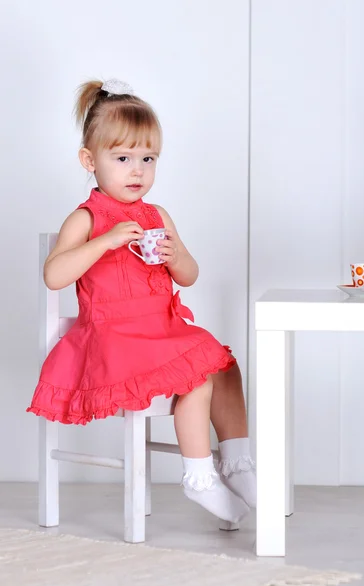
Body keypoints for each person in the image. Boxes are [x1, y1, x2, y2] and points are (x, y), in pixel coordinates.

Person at [27, 78, 256, 524]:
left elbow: (189, 275)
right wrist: (105, 241)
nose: (138, 171)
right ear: (90, 161)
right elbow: (54, 275)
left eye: (148, 159)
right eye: (124, 158)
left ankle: (237, 462)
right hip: (115, 337)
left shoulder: (157, 215)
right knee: (197, 376)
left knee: (225, 367)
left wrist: (176, 256)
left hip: (161, 329)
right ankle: (199, 475)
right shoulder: (87, 217)